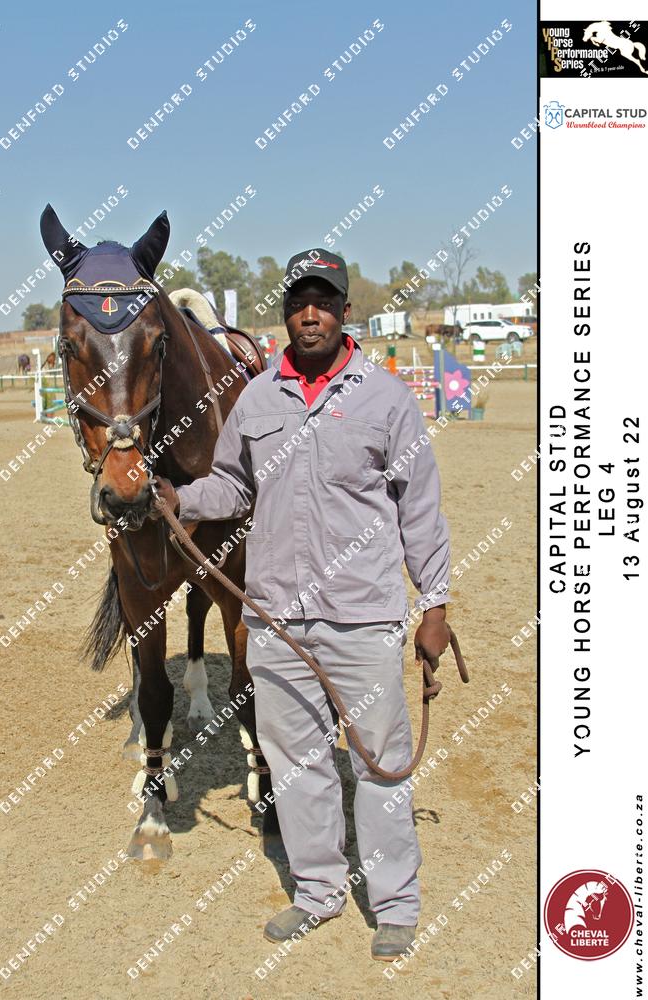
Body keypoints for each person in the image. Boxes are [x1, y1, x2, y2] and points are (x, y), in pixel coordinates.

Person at [152, 249, 451, 962]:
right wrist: (179, 498)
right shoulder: (256, 400)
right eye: (297, 303)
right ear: (286, 314)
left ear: (344, 310)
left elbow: (419, 506)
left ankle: (394, 903)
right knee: (297, 765)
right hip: (277, 620)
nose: (309, 314)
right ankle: (317, 891)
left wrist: (434, 603)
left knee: (379, 765)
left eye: (322, 302)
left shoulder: (385, 398)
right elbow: (232, 486)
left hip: (362, 617)